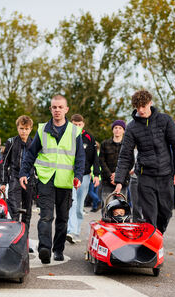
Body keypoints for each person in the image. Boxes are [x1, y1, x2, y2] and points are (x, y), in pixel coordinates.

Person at [19, 94, 85, 264]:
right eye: (54, 107)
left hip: (66, 181)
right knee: (46, 216)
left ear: (66, 109)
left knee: (63, 218)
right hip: (46, 179)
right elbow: (31, 154)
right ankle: (45, 249)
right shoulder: (42, 130)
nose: (57, 110)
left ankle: (58, 249)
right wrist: (23, 173)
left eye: (60, 107)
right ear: (51, 109)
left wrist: (78, 176)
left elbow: (80, 157)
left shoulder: (74, 131)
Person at [114, 90, 175, 234]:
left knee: (165, 213)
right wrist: (119, 180)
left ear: (150, 103)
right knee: (150, 215)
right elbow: (125, 156)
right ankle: (152, 244)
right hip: (145, 176)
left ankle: (158, 235)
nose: (140, 110)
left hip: (166, 174)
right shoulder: (132, 127)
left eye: (143, 106)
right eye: (137, 107)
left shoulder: (165, 120)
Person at [66, 114, 100, 244]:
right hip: (70, 175)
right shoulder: (66, 136)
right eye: (74, 125)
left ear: (83, 125)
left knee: (79, 205)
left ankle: (76, 230)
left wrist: (96, 174)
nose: (77, 127)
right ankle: (71, 231)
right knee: (72, 203)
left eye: (79, 125)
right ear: (71, 124)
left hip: (85, 175)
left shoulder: (89, 138)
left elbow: (95, 158)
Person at [0, 115, 35, 231]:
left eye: (26, 129)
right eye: (21, 128)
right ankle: (13, 235)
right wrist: (3, 181)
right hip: (15, 177)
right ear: (17, 128)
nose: (24, 131)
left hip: (29, 179)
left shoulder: (35, 143)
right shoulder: (11, 142)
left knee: (27, 210)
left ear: (30, 129)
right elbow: (4, 162)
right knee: (14, 208)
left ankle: (25, 237)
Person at [99, 120, 127, 198]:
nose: (117, 130)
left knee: (121, 207)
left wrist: (118, 176)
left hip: (122, 182)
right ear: (113, 130)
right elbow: (101, 161)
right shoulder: (105, 144)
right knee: (106, 207)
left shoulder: (127, 145)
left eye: (120, 128)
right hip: (107, 181)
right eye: (115, 127)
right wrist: (111, 176)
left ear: (124, 130)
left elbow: (130, 162)